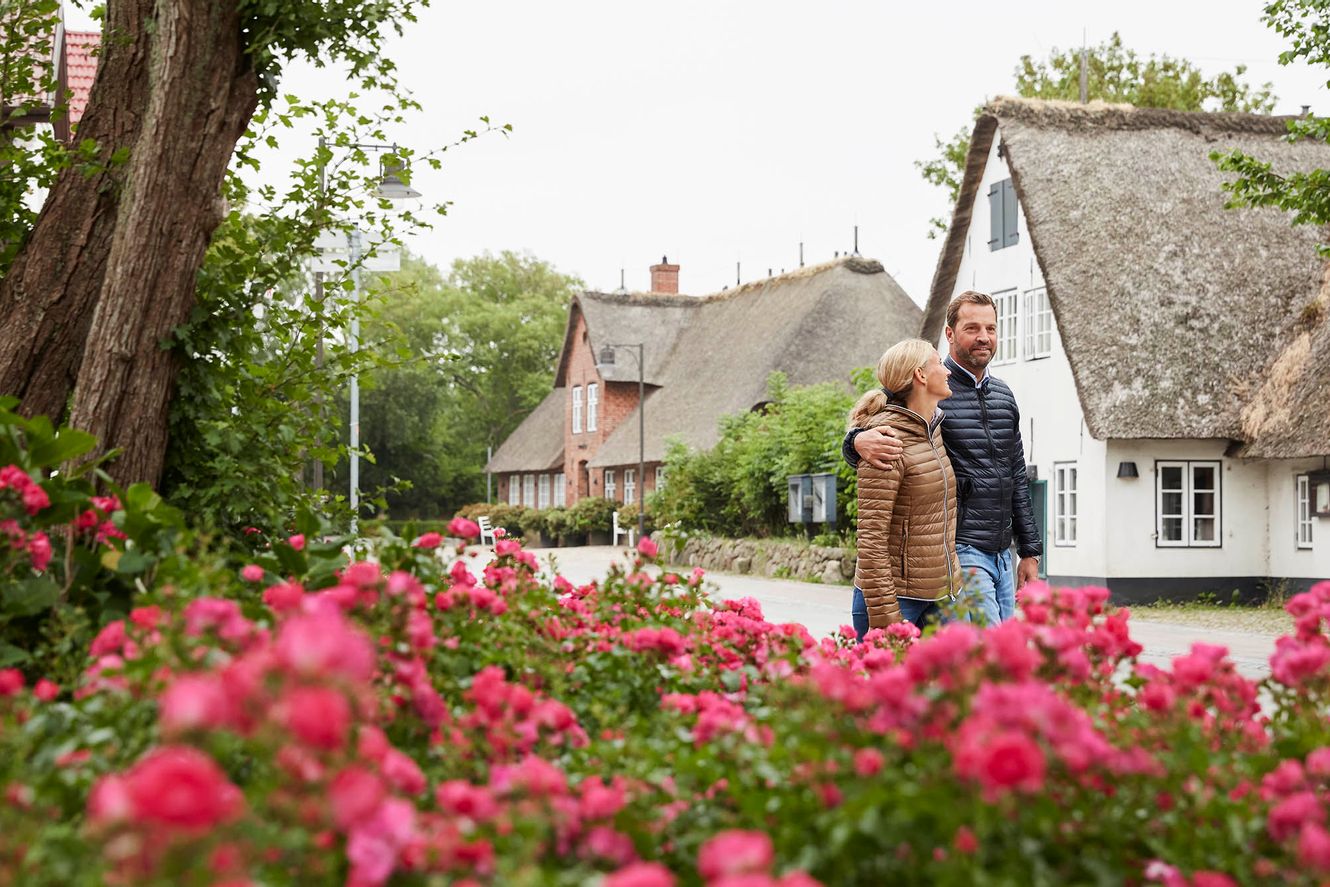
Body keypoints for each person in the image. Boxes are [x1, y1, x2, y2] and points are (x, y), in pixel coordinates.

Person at [844, 291, 1041, 626]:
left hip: (1001, 552)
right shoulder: (933, 394)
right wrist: (855, 440)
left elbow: (1016, 474)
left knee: (1004, 655)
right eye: (973, 328)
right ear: (949, 334)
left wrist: (1030, 550)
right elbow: (883, 416)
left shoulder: (1004, 396)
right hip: (960, 549)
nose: (984, 337)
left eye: (991, 328)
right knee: (987, 656)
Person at [850, 338, 964, 635]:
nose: (948, 370)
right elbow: (871, 541)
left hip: (942, 594)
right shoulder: (885, 440)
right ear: (920, 375)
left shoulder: (932, 429)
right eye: (939, 362)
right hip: (897, 601)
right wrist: (888, 620)